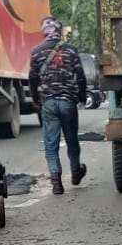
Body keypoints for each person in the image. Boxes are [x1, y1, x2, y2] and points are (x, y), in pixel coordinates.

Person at [28, 17, 88, 195]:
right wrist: (82, 96)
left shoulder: (36, 51)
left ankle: (56, 182)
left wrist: (36, 99)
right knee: (72, 140)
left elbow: (32, 78)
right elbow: (80, 75)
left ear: (43, 31)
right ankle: (76, 172)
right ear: (60, 30)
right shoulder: (70, 49)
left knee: (51, 143)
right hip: (68, 101)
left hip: (48, 103)